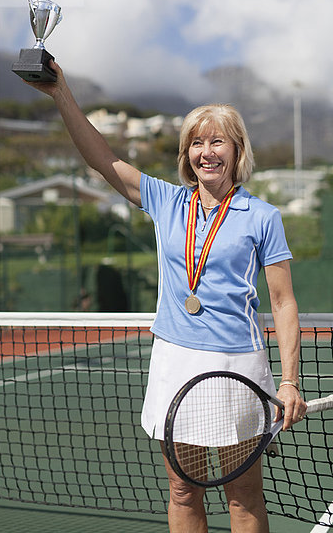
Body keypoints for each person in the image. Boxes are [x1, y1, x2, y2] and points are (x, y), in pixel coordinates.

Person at [25, 61, 307, 533]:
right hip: (175, 362)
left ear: (237, 150)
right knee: (182, 489)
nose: (206, 152)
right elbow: (101, 158)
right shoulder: (167, 201)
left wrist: (291, 382)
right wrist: (61, 94)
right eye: (197, 142)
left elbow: (283, 304)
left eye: (217, 141)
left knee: (243, 495)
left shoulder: (263, 216)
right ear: (186, 153)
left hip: (239, 366)